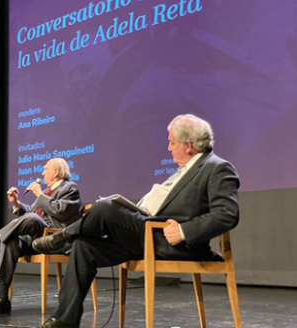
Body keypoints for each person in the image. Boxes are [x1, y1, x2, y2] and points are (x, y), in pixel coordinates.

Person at [32, 114, 240, 328]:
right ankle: (65, 320)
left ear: (188, 145)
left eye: (172, 142)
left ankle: (63, 237)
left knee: (105, 207)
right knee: (84, 246)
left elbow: (226, 214)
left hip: (169, 242)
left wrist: (185, 231)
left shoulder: (217, 168)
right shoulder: (181, 171)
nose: (168, 148)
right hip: (144, 236)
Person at [0, 157, 82, 315]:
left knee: (31, 220)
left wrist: (39, 194)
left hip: (56, 238)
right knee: (10, 240)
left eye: (46, 169)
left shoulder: (70, 188)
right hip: (38, 237)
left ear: (56, 172)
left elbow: (60, 211)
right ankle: (3, 299)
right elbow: (31, 212)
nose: (43, 173)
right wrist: (16, 204)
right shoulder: (47, 192)